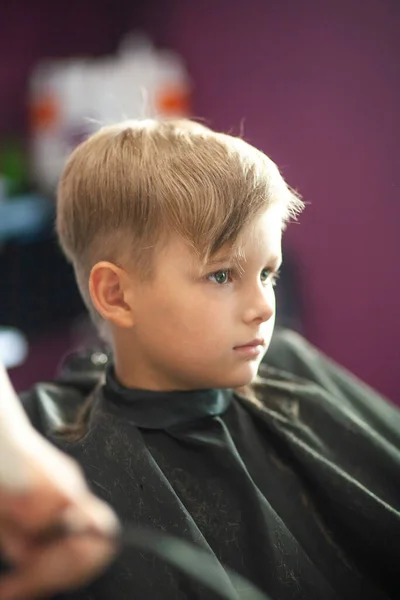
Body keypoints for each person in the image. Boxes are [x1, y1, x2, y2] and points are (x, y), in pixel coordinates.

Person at [1, 118, 399, 600]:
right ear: (118, 295)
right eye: (221, 275)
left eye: (267, 273)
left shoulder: (291, 367)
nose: (264, 307)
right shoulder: (41, 442)